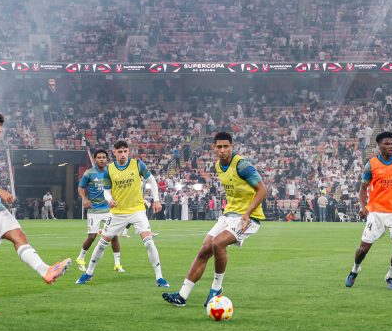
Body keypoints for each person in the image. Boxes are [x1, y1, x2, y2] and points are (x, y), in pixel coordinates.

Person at [0, 109, 70, 315]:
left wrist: (0, 195)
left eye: (1, 126)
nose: (0, 130)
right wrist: (0, 191)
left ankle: (46, 271)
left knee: (19, 236)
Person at [162, 132, 267, 307]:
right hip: (229, 214)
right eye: (219, 147)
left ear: (232, 147)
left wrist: (247, 213)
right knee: (205, 249)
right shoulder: (218, 165)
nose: (222, 150)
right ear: (214, 148)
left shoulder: (242, 165)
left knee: (218, 244)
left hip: (249, 217)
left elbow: (262, 190)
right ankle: (182, 296)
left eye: (226, 146)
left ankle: (216, 288)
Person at [76, 140, 169, 287]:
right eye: (119, 152)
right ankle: (88, 273)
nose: (123, 154)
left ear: (128, 151)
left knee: (149, 242)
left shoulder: (137, 164)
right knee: (102, 243)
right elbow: (106, 190)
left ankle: (160, 277)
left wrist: (156, 200)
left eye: (125, 151)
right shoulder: (109, 169)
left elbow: (151, 180)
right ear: (115, 153)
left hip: (137, 211)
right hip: (117, 213)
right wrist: (109, 199)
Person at [345, 132, 392, 291]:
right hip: (376, 212)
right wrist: (363, 206)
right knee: (363, 249)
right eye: (387, 144)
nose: (391, 146)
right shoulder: (371, 165)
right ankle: (355, 269)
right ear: (379, 146)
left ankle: (390, 276)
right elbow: (363, 188)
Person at [76, 149, 124, 273]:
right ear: (95, 159)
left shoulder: (111, 172)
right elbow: (80, 187)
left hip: (108, 210)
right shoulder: (89, 173)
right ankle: (81, 258)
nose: (101, 159)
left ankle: (117, 264)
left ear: (107, 159)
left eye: (103, 157)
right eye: (99, 157)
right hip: (94, 210)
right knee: (92, 237)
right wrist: (85, 199)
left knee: (113, 236)